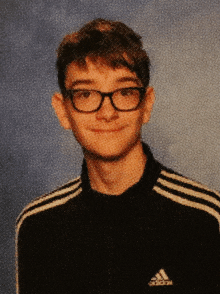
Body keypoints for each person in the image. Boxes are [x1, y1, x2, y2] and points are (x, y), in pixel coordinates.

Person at [16, 18, 220, 294]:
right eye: (86, 94)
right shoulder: (38, 227)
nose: (107, 112)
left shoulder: (205, 219)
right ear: (62, 110)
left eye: (124, 92)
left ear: (146, 105)